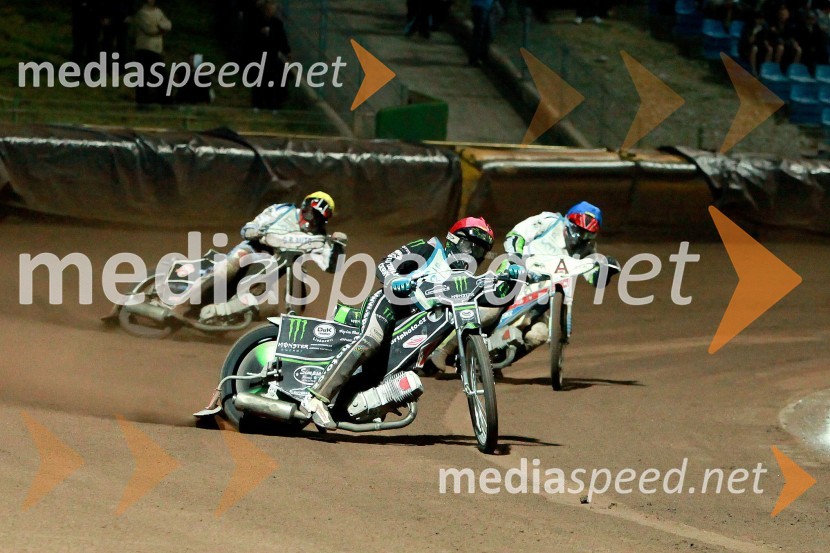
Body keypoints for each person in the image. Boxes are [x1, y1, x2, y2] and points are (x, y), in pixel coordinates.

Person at [300, 217, 514, 429]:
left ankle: (341, 408)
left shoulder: (465, 283)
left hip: (411, 327)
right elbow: (386, 263)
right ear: (453, 240)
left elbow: (494, 299)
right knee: (370, 341)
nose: (472, 254)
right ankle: (316, 398)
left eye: (479, 251)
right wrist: (395, 280)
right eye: (469, 246)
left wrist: (510, 279)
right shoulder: (429, 249)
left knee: (376, 376)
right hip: (390, 304)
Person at [429, 201, 619, 372]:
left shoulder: (587, 248)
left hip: (543, 295)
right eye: (578, 230)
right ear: (568, 222)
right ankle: (441, 350)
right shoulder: (549, 221)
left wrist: (606, 270)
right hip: (516, 274)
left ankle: (491, 361)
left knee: (540, 334)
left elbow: (594, 279)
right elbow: (516, 235)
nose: (580, 237)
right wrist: (517, 260)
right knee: (490, 312)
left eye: (587, 234)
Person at [191, 192, 346, 322]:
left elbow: (331, 266)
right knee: (229, 266)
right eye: (309, 213)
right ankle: (190, 298)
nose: (310, 219)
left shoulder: (319, 237)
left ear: (324, 220)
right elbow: (249, 227)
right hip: (255, 248)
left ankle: (236, 309)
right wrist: (253, 231)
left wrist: (339, 246)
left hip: (277, 264)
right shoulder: (282, 211)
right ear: (303, 207)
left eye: (317, 217)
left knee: (269, 303)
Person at [247, 0, 291, 110]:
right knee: (259, 80)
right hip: (259, 54)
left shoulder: (277, 23)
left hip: (272, 55)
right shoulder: (256, 20)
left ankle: (272, 104)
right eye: (269, 9)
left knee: (272, 80)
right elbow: (250, 36)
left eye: (272, 10)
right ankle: (257, 103)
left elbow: (282, 38)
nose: (271, 12)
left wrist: (287, 51)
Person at [133, 0, 172, 105]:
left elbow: (168, 24)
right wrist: (161, 29)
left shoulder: (158, 11)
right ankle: (142, 102)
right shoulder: (142, 13)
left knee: (160, 76)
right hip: (144, 48)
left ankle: (164, 100)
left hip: (156, 49)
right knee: (143, 77)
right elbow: (149, 29)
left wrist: (160, 26)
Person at [470, 0, 495, 66]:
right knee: (479, 33)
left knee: (486, 33)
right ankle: (475, 58)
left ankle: (481, 57)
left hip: (486, 6)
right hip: (480, 5)